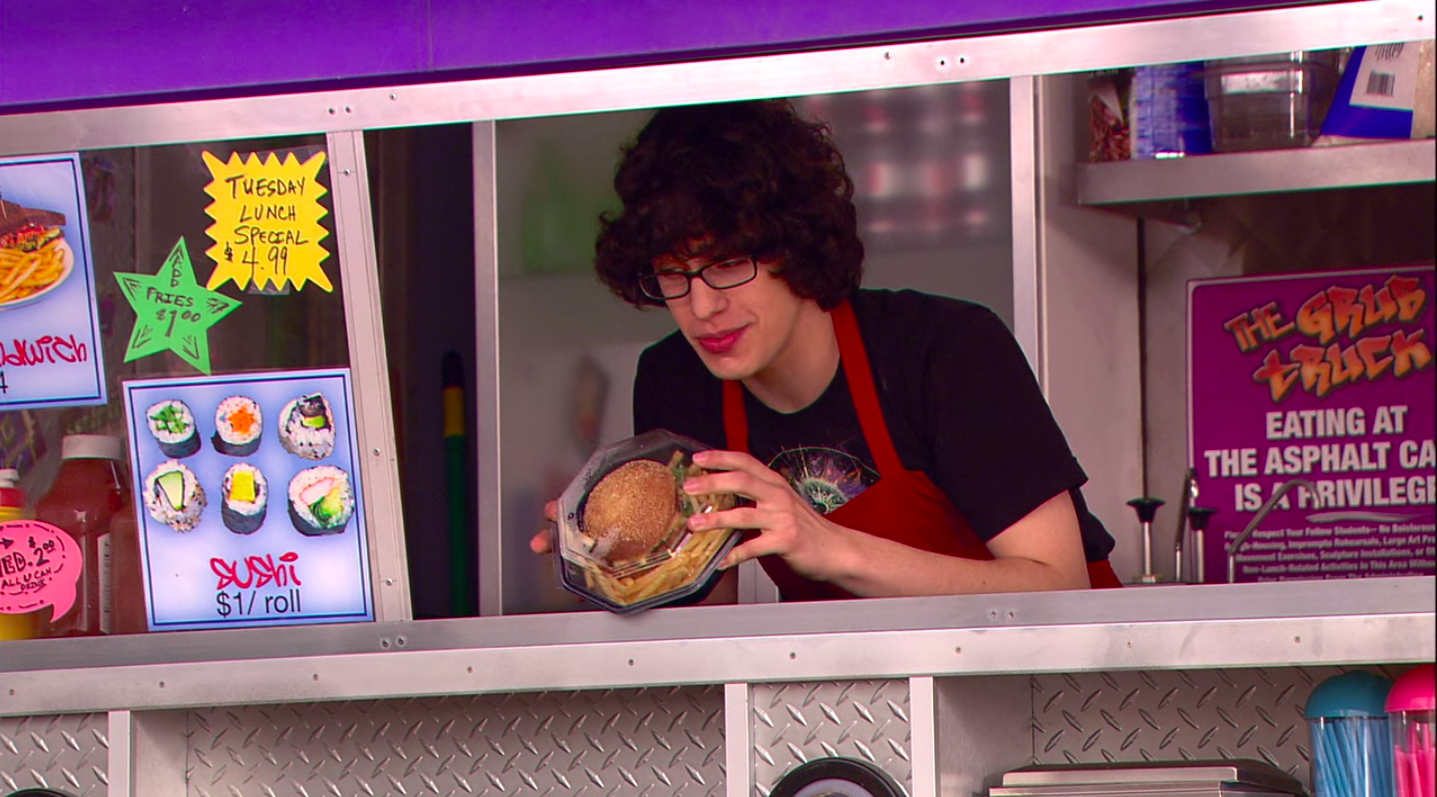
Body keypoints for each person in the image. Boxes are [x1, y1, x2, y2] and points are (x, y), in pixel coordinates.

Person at [533, 98, 1121, 601]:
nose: (702, 307)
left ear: (796, 244)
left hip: (1047, 687)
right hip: (848, 689)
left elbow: (1058, 586)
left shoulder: (945, 349)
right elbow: (705, 617)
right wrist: (613, 566)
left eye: (729, 264)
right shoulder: (677, 381)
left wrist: (832, 548)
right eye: (672, 274)